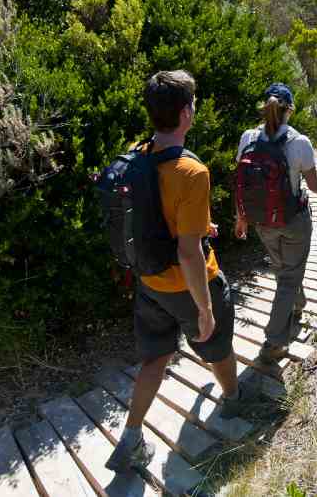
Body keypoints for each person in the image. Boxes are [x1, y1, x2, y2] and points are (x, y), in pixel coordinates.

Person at [105, 70, 244, 473]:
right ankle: (234, 399)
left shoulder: (138, 152)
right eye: (195, 103)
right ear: (186, 113)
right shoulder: (192, 172)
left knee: (155, 358)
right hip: (186, 284)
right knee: (216, 346)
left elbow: (153, 215)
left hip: (149, 282)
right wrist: (204, 308)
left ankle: (130, 436)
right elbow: (188, 253)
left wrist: (202, 227)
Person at [234, 82, 317, 366]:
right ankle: (275, 343)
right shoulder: (298, 142)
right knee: (289, 274)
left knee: (284, 269)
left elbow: (242, 183)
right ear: (289, 110)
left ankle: (298, 304)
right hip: (293, 221)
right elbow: (313, 185)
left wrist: (240, 218)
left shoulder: (248, 138)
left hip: (262, 222)